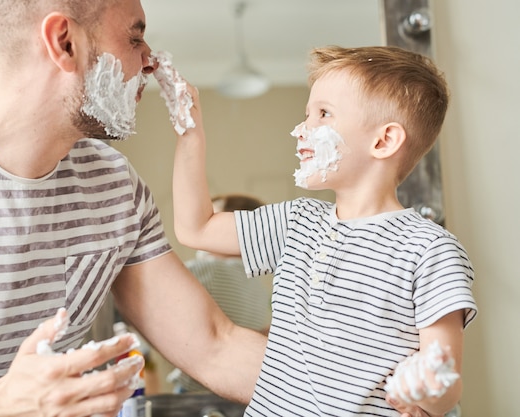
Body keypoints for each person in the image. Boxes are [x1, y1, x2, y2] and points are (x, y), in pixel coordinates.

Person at [0, 1, 268, 415]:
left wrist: (347, 379)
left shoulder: (115, 188)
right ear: (64, 42)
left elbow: (215, 346)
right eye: (135, 37)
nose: (150, 61)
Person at [169, 45, 477, 416]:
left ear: (384, 141)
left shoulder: (429, 250)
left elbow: (448, 381)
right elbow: (196, 228)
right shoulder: (296, 224)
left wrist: (426, 390)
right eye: (306, 113)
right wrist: (190, 135)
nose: (301, 129)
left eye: (323, 114)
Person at [169, 194, 273, 393]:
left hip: (198, 388)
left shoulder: (208, 270)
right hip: (244, 386)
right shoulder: (260, 285)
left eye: (211, 219)